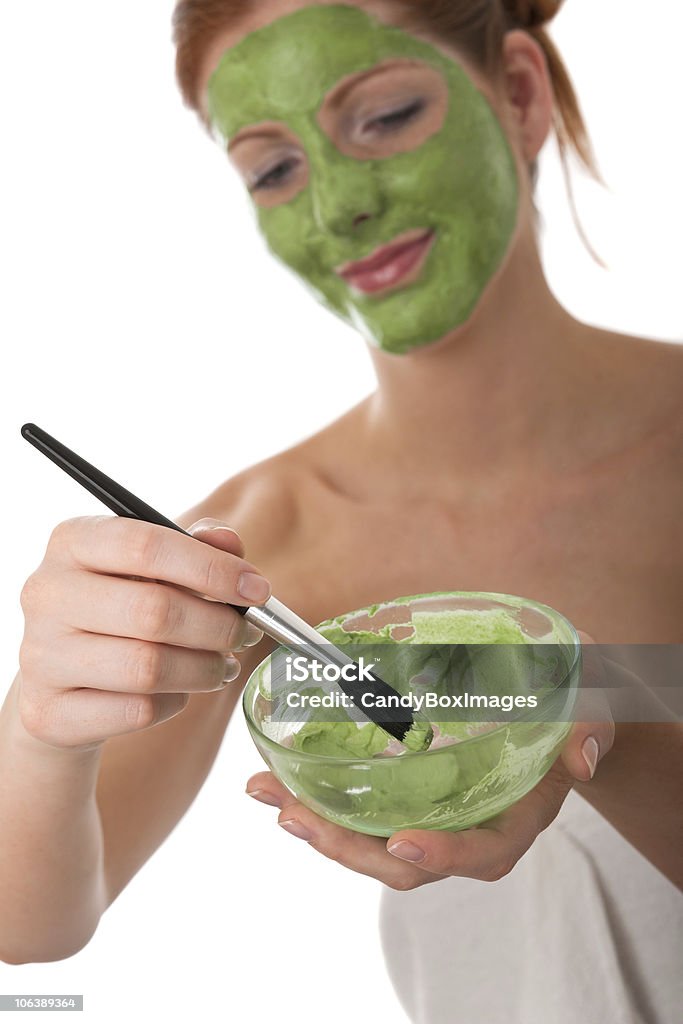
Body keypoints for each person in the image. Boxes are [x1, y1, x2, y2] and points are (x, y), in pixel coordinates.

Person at [1, 0, 681, 1018]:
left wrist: (608, 715)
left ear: (520, 92)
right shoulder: (254, 541)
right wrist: (41, 725)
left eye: (386, 115)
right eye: (273, 170)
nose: (336, 208)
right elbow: (32, 923)